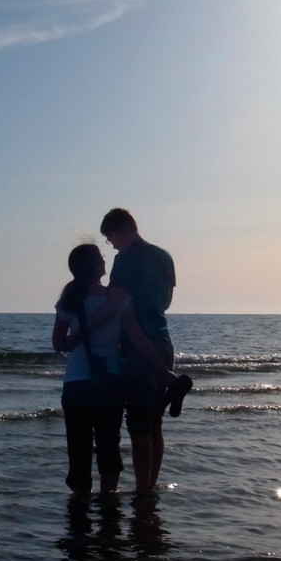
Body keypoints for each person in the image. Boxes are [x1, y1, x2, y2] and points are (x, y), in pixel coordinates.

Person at [52, 243, 177, 499]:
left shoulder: (68, 300)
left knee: (78, 449)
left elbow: (58, 344)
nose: (105, 261)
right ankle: (108, 508)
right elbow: (139, 340)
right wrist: (163, 371)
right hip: (108, 384)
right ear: (97, 267)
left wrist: (77, 337)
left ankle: (80, 510)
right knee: (109, 447)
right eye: (101, 257)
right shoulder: (118, 299)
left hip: (75, 384)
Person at [98, 208, 191, 492]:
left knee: (138, 423)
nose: (111, 245)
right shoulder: (164, 257)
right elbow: (167, 302)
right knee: (154, 421)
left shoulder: (125, 259)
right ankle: (149, 486)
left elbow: (114, 300)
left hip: (137, 343)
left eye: (110, 238)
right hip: (163, 341)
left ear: (119, 231)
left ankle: (142, 492)